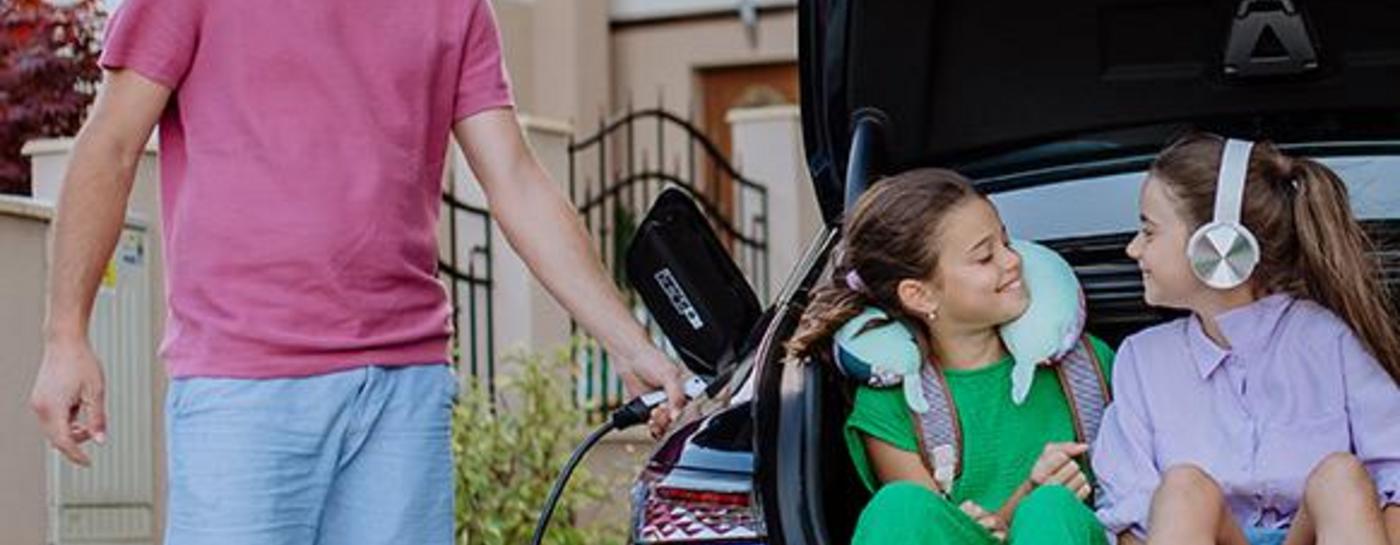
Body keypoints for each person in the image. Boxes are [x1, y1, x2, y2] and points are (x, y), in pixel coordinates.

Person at [26, 1, 685, 544]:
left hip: (401, 394)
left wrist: (629, 342)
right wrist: (66, 335)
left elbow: (515, 179)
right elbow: (109, 144)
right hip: (247, 389)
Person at [1092, 132, 1400, 545]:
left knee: (1341, 477)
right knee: (1184, 487)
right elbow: (1126, 517)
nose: (1133, 249)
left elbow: (1395, 477)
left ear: (1218, 245)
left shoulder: (1330, 341)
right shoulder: (1141, 360)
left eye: (1149, 232)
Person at [785, 168, 1116, 545]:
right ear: (920, 295)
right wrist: (1018, 499)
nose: (1012, 261)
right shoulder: (889, 407)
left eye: (1006, 241)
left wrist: (1037, 499)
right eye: (984, 257)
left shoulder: (1087, 368)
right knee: (899, 507)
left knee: (1051, 507)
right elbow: (928, 528)